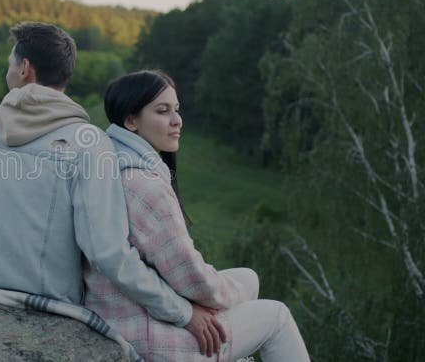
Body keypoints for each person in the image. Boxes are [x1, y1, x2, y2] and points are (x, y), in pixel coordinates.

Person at [0, 22, 224, 351]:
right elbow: (109, 255)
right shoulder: (89, 144)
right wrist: (181, 312)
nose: (8, 72)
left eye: (9, 65)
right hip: (50, 306)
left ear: (24, 69)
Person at [84, 70, 310, 361]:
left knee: (247, 277)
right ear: (131, 121)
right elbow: (190, 277)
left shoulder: (110, 165)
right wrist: (226, 298)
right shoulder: (143, 185)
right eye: (162, 111)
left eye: (176, 110)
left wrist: (225, 295)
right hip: (150, 337)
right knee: (276, 316)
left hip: (121, 314)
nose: (177, 121)